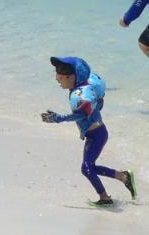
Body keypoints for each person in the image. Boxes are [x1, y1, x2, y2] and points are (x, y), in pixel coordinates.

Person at [41, 56, 136, 207]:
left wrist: (59, 118)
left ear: (71, 77)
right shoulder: (84, 88)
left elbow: (83, 113)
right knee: (89, 168)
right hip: (93, 134)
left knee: (86, 168)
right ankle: (123, 177)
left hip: (97, 134)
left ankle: (106, 198)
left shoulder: (82, 94)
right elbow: (97, 101)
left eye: (60, 78)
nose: (57, 80)